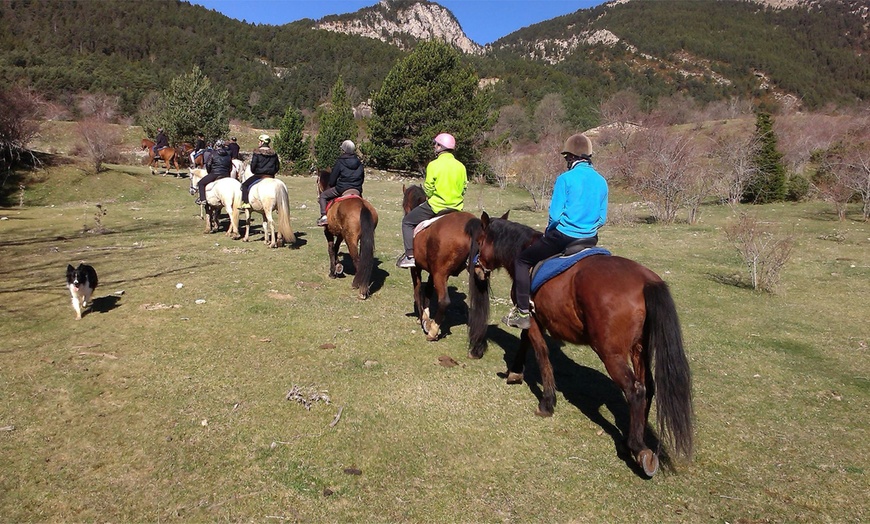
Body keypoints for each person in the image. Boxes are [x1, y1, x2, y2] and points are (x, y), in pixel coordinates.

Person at [503, 133, 608, 330]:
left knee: (522, 261)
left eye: (567, 158)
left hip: (564, 236)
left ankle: (522, 312)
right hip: (590, 239)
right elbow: (602, 218)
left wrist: (549, 231)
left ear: (571, 157)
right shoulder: (601, 181)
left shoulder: (565, 179)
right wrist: (588, 228)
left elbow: (556, 215)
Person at [397, 133, 467, 269]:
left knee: (407, 222)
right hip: (457, 208)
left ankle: (410, 256)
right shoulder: (461, 167)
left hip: (436, 206)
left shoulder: (434, 165)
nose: (434, 146)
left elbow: (428, 189)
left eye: (436, 144)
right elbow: (464, 188)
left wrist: (431, 194)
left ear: (441, 147)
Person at [317, 140, 364, 226]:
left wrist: (332, 184)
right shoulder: (359, 163)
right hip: (356, 190)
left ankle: (324, 217)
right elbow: (362, 178)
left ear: (344, 150)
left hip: (342, 189)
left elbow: (332, 180)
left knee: (323, 196)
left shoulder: (340, 162)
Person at [240, 134, 280, 209]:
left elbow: (253, 165)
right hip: (271, 176)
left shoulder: (257, 152)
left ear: (262, 142)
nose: (258, 143)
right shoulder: (274, 153)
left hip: (259, 176)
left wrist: (255, 171)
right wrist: (272, 173)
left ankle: (246, 203)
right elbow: (277, 166)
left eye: (259, 141)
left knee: (244, 185)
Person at [194, 140, 233, 205]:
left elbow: (208, 165)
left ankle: (202, 199)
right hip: (225, 174)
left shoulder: (213, 154)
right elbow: (230, 167)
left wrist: (210, 172)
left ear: (216, 146)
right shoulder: (228, 155)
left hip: (215, 173)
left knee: (201, 183)